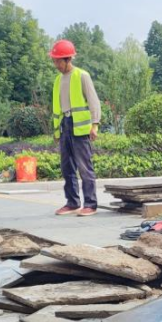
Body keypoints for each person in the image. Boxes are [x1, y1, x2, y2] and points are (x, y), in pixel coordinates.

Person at [50, 39, 101, 216]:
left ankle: (91, 204)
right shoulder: (58, 80)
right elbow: (56, 107)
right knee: (67, 167)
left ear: (67, 59)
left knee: (84, 166)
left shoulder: (82, 76)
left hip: (80, 127)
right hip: (64, 126)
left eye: (57, 60)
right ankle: (72, 202)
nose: (55, 64)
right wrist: (57, 131)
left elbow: (93, 101)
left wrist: (94, 125)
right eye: (54, 60)